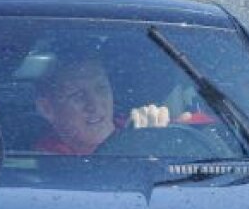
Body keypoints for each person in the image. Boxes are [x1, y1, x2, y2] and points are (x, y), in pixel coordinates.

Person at [32, 53, 211, 155]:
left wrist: (168, 132)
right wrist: (140, 146)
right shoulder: (47, 160)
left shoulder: (133, 124)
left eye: (101, 88)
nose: (94, 105)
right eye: (77, 96)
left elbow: (209, 126)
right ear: (47, 109)